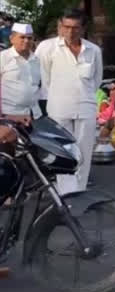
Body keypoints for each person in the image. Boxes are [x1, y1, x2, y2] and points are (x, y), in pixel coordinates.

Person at [36, 9, 101, 195]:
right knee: (63, 152)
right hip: (59, 107)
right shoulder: (47, 48)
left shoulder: (93, 50)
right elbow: (44, 80)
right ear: (60, 26)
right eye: (66, 27)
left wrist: (83, 96)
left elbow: (96, 80)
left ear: (83, 28)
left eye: (75, 28)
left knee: (84, 150)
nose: (70, 32)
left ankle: (79, 191)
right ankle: (66, 192)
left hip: (86, 106)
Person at [0, 23, 42, 119]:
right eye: (22, 37)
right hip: (10, 115)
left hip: (34, 114)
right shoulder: (3, 58)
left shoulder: (36, 60)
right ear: (12, 39)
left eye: (29, 38)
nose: (26, 41)